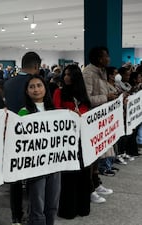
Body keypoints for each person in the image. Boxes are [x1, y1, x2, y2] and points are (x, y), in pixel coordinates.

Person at [4, 51, 42, 225]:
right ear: (36, 66)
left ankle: (16, 217)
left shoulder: (8, 82)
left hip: (13, 135)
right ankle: (33, 213)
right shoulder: (34, 83)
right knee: (35, 177)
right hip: (34, 135)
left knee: (16, 179)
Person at [18, 74, 60, 225]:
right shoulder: (23, 112)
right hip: (36, 166)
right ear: (27, 91)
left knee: (52, 204)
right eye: (32, 87)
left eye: (39, 85)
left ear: (45, 88)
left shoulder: (55, 110)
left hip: (55, 164)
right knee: (37, 205)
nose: (36, 89)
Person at [53, 64, 91, 219]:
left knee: (83, 174)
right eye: (65, 74)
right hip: (67, 141)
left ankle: (83, 207)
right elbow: (56, 112)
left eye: (70, 75)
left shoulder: (82, 94)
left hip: (83, 140)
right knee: (69, 175)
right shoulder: (59, 92)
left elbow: (88, 111)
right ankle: (68, 209)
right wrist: (70, 114)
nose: (66, 77)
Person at [82, 46, 115, 204]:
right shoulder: (88, 73)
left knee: (97, 155)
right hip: (92, 120)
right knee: (91, 157)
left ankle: (96, 182)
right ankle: (89, 190)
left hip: (101, 119)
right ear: (98, 58)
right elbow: (88, 98)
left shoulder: (101, 72)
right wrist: (106, 97)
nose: (108, 59)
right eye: (105, 56)